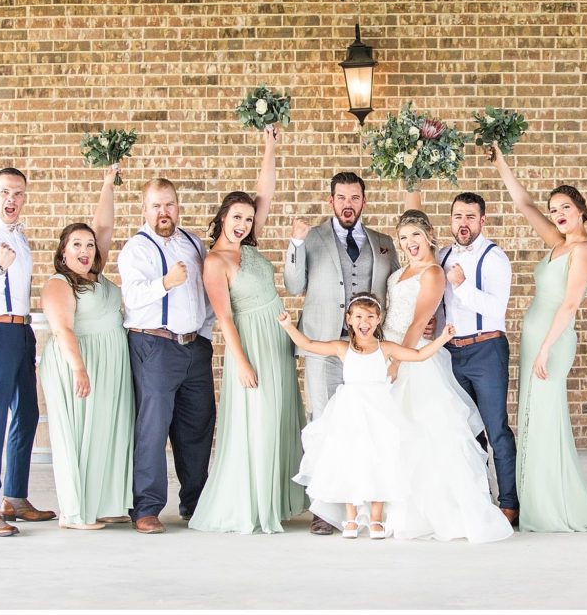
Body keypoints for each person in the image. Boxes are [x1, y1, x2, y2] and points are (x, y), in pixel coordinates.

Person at [190, 126, 307, 534]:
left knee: (279, 417)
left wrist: (270, 146)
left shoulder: (250, 248)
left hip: (276, 338)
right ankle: (252, 504)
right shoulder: (215, 262)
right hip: (251, 343)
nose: (242, 224)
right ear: (223, 217)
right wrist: (240, 362)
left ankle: (277, 497)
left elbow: (265, 192)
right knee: (258, 420)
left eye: (248, 219)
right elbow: (224, 317)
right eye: (236, 217)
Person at [379, 208, 513, 543]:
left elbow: (416, 321)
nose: (410, 243)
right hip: (391, 349)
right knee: (400, 434)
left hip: (415, 356)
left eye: (416, 235)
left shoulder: (435, 271)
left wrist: (399, 361)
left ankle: (486, 505)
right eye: (404, 237)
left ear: (429, 236)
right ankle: (397, 507)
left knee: (435, 434)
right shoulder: (400, 272)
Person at [277, 294, 456, 539]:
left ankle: (375, 519)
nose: (365, 322)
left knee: (380, 460)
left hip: (379, 411)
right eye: (359, 316)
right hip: (349, 412)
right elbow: (308, 345)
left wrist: (443, 338)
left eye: (371, 317)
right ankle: (350, 518)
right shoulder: (343, 348)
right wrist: (288, 326)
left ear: (378, 319)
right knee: (351, 460)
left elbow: (417, 355)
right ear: (349, 320)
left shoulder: (385, 349)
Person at [283, 172, 400, 535]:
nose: (347, 204)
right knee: (324, 426)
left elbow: (394, 292)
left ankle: (369, 505)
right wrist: (295, 244)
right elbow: (293, 284)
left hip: (367, 355)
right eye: (341, 198)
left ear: (363, 201)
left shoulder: (382, 242)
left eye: (354, 198)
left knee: (368, 430)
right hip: (324, 345)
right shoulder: (313, 237)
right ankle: (325, 509)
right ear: (331, 201)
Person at [491, 143, 587, 532]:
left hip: (553, 341)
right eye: (554, 210)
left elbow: (569, 305)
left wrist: (546, 348)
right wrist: (501, 162)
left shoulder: (583, 250)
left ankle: (556, 506)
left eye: (564, 208)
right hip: (535, 337)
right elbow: (524, 204)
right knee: (531, 418)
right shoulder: (558, 244)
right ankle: (534, 500)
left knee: (548, 417)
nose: (557, 215)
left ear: (581, 209)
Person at [406, 183, 519, 524]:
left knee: (495, 428)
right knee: (464, 429)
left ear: (482, 221)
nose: (463, 223)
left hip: (486, 349)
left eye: (470, 216)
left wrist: (462, 284)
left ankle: (509, 502)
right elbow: (442, 304)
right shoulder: (441, 256)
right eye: (458, 217)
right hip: (452, 353)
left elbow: (496, 308)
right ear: (451, 221)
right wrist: (432, 324)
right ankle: (477, 498)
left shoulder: (494, 257)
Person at [118, 177, 216, 534]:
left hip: (194, 347)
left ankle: (195, 503)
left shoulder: (192, 242)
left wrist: (203, 335)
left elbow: (207, 293)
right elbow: (132, 296)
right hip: (154, 346)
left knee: (198, 426)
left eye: (169, 204)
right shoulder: (136, 249)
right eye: (156, 205)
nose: (164, 212)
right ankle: (146, 507)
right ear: (144, 210)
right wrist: (166, 283)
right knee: (153, 428)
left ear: (178, 205)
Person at [39, 166, 133, 530]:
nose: (85, 249)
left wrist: (108, 184)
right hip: (78, 361)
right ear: (63, 252)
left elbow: (104, 227)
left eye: (89, 244)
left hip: (111, 361)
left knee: (106, 431)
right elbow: (62, 328)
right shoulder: (60, 283)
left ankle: (104, 503)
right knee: (77, 435)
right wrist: (79, 368)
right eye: (76, 244)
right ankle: (75, 513)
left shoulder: (96, 273)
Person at [0, 167, 55, 536]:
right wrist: (0, 267)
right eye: (4, 192)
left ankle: (14, 497)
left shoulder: (21, 237)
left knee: (28, 413)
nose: (11, 200)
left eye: (18, 193)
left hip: (21, 331)